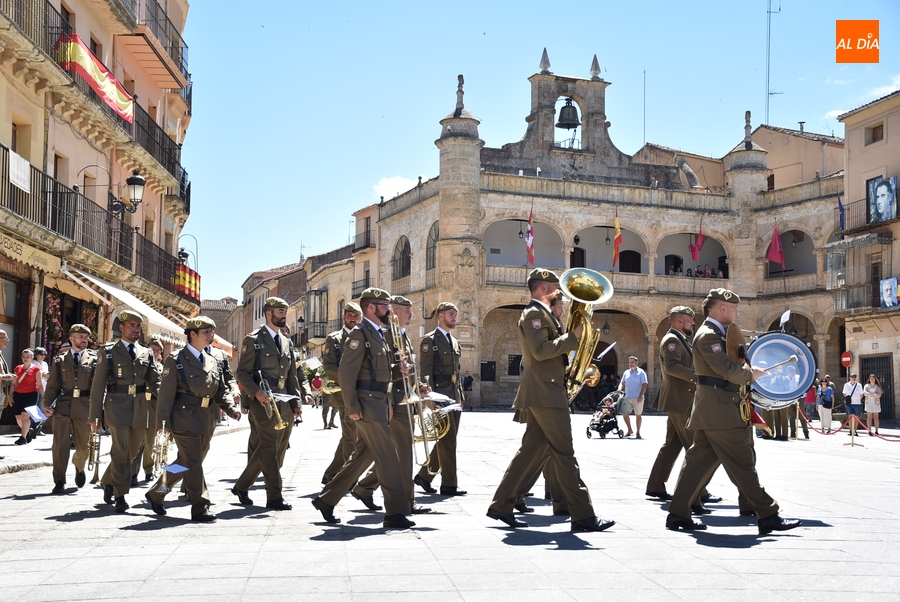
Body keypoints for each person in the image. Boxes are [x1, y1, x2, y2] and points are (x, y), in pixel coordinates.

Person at [487, 268, 613, 532]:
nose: (560, 290)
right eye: (556, 286)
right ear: (543, 288)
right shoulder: (534, 314)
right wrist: (573, 337)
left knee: (530, 452)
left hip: (547, 389)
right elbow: (541, 351)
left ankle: (501, 505)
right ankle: (583, 515)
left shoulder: (543, 314)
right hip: (546, 393)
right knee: (564, 454)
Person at [666, 288, 801, 535]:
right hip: (722, 411)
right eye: (735, 308)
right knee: (742, 464)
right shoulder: (708, 336)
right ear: (722, 309)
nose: (738, 312)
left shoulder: (716, 333)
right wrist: (751, 375)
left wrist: (749, 370)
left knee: (696, 465)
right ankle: (768, 514)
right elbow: (726, 370)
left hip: (714, 409)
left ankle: (677, 514)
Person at [311, 288, 415, 529]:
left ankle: (327, 500)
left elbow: (381, 371)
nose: (389, 310)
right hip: (367, 403)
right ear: (372, 307)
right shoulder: (360, 334)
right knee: (388, 457)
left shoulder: (379, 333)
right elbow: (347, 374)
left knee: (363, 456)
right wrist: (352, 407)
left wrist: (400, 372)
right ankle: (396, 512)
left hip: (379, 400)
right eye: (385, 305)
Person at [145, 316, 241, 522]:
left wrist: (231, 408)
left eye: (212, 332)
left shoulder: (213, 360)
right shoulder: (176, 359)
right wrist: (163, 424)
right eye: (206, 332)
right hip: (183, 418)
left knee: (186, 462)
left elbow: (221, 389)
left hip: (206, 419)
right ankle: (200, 505)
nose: (211, 336)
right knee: (194, 462)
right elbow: (165, 394)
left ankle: (156, 492)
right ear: (193, 334)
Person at [352, 295, 432, 516]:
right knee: (402, 454)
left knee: (391, 454)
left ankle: (365, 488)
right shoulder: (385, 334)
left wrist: (419, 388)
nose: (411, 314)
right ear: (395, 311)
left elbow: (406, 367)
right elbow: (384, 370)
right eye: (407, 310)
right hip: (394, 401)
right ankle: (406, 500)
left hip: (404, 397)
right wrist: (389, 400)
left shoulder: (402, 335)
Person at [232, 297, 309, 510]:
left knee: (278, 448)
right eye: (280, 311)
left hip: (284, 402)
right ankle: (274, 496)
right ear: (268, 314)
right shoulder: (254, 340)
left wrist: (296, 402)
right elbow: (242, 374)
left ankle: (241, 486)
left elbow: (292, 375)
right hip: (263, 403)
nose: (284, 315)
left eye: (285, 311)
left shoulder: (287, 341)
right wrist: (256, 393)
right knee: (268, 448)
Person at [646, 306, 721, 509]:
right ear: (680, 321)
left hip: (679, 399)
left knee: (671, 445)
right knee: (695, 447)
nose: (693, 323)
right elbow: (671, 367)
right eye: (690, 321)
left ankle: (655, 486)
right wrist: (697, 376)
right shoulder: (672, 340)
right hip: (681, 400)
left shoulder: (679, 339)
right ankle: (698, 492)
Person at [89, 311, 160, 513]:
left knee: (132, 452)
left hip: (140, 407)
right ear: (121, 327)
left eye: (138, 327)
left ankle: (108, 481)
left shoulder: (146, 353)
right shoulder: (108, 352)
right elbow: (97, 386)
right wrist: (95, 415)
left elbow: (156, 383)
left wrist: (168, 400)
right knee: (121, 450)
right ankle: (121, 495)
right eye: (131, 326)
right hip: (116, 406)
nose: (135, 330)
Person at [414, 301, 466, 497]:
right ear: (441, 316)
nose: (454, 317)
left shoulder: (454, 341)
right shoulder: (430, 340)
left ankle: (424, 476)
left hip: (453, 395)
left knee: (447, 439)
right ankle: (449, 485)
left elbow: (457, 370)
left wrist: (460, 396)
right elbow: (425, 371)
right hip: (440, 395)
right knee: (449, 440)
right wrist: (428, 396)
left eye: (455, 314)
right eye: (451, 314)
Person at [43, 325, 98, 493]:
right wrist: (46, 404)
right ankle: (59, 480)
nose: (84, 339)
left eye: (86, 337)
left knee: (83, 446)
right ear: (71, 339)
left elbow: (98, 387)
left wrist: (99, 407)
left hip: (84, 406)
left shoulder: (94, 359)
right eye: (80, 336)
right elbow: (52, 386)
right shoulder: (59, 360)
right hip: (63, 406)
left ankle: (79, 467)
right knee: (59, 445)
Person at [319, 302, 362, 485]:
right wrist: (349, 381)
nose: (352, 318)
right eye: (349, 315)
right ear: (344, 316)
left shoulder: (364, 336)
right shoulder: (335, 339)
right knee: (351, 436)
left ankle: (331, 474)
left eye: (356, 315)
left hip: (364, 392)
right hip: (345, 394)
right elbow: (329, 366)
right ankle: (349, 479)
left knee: (350, 437)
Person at [131, 336, 164, 483]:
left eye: (157, 350)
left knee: (150, 442)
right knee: (137, 441)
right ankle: (133, 472)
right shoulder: (141, 364)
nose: (154, 352)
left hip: (154, 408)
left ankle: (149, 470)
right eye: (152, 349)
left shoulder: (163, 368)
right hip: (140, 405)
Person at [10, 349, 44, 445]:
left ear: (32, 358)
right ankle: (27, 431)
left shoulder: (36, 369)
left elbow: (40, 385)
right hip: (18, 394)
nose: (25, 359)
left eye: (27, 357)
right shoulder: (18, 368)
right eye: (24, 357)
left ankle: (23, 437)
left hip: (31, 394)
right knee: (18, 417)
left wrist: (44, 397)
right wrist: (10, 395)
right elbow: (13, 384)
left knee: (25, 416)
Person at [617, 356, 647, 438]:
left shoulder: (641, 373)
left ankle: (638, 432)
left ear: (636, 363)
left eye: (632, 362)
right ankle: (630, 430)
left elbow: (644, 384)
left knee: (638, 415)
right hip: (627, 397)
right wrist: (619, 388)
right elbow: (622, 382)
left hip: (638, 398)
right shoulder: (626, 372)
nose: (630, 364)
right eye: (629, 362)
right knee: (624, 413)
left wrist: (641, 395)